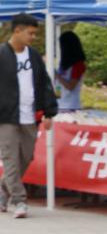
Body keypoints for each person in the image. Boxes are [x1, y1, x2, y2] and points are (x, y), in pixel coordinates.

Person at [0, 13, 57, 219]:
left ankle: (2, 191)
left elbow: (44, 83)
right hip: (6, 117)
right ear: (17, 31)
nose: (33, 37)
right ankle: (19, 200)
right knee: (10, 158)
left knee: (26, 157)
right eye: (30, 33)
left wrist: (49, 112)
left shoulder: (33, 56)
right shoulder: (1, 54)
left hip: (30, 116)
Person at [55, 31, 87, 112]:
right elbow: (58, 86)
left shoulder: (78, 65)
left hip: (71, 106)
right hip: (59, 105)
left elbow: (71, 87)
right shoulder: (63, 66)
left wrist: (57, 76)